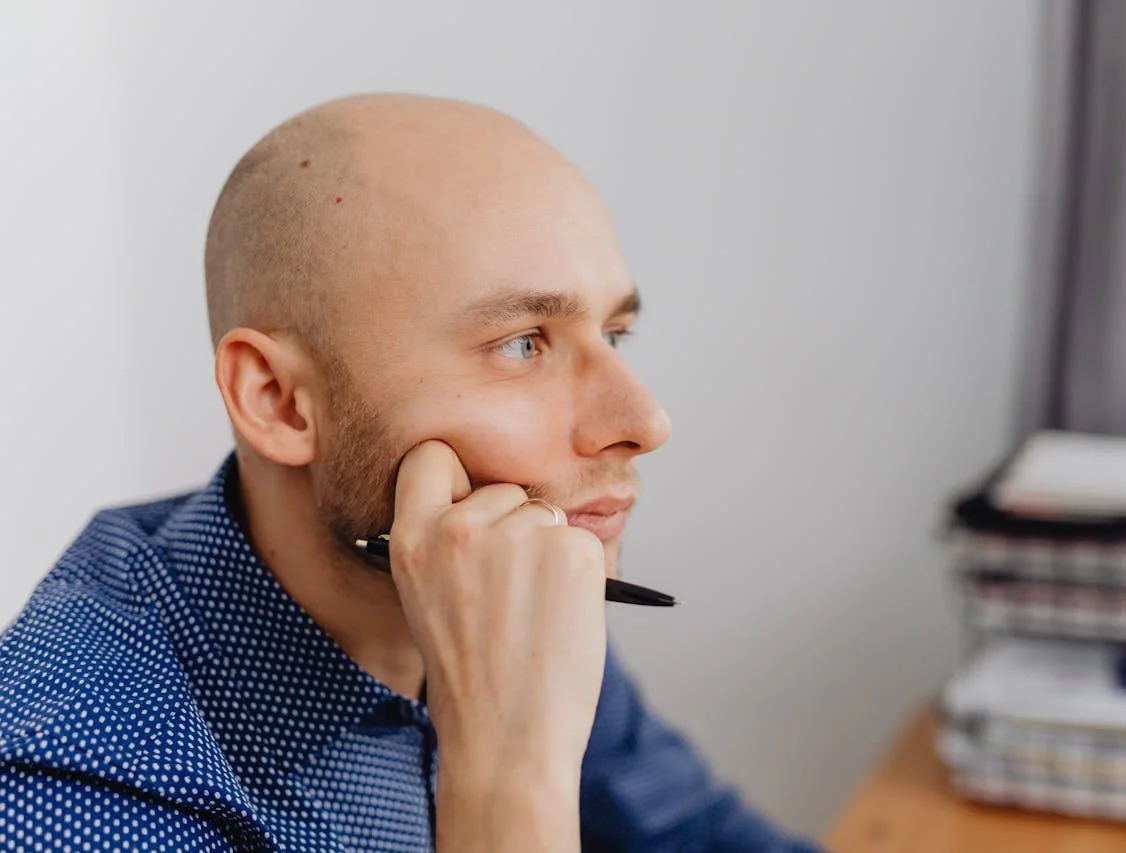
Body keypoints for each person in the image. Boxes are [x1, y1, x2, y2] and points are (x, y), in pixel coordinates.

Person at [0, 94, 822, 852]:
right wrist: (506, 778)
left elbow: (693, 832)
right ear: (280, 400)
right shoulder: (72, 790)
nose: (645, 421)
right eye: (522, 343)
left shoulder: (503, 581)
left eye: (614, 334)